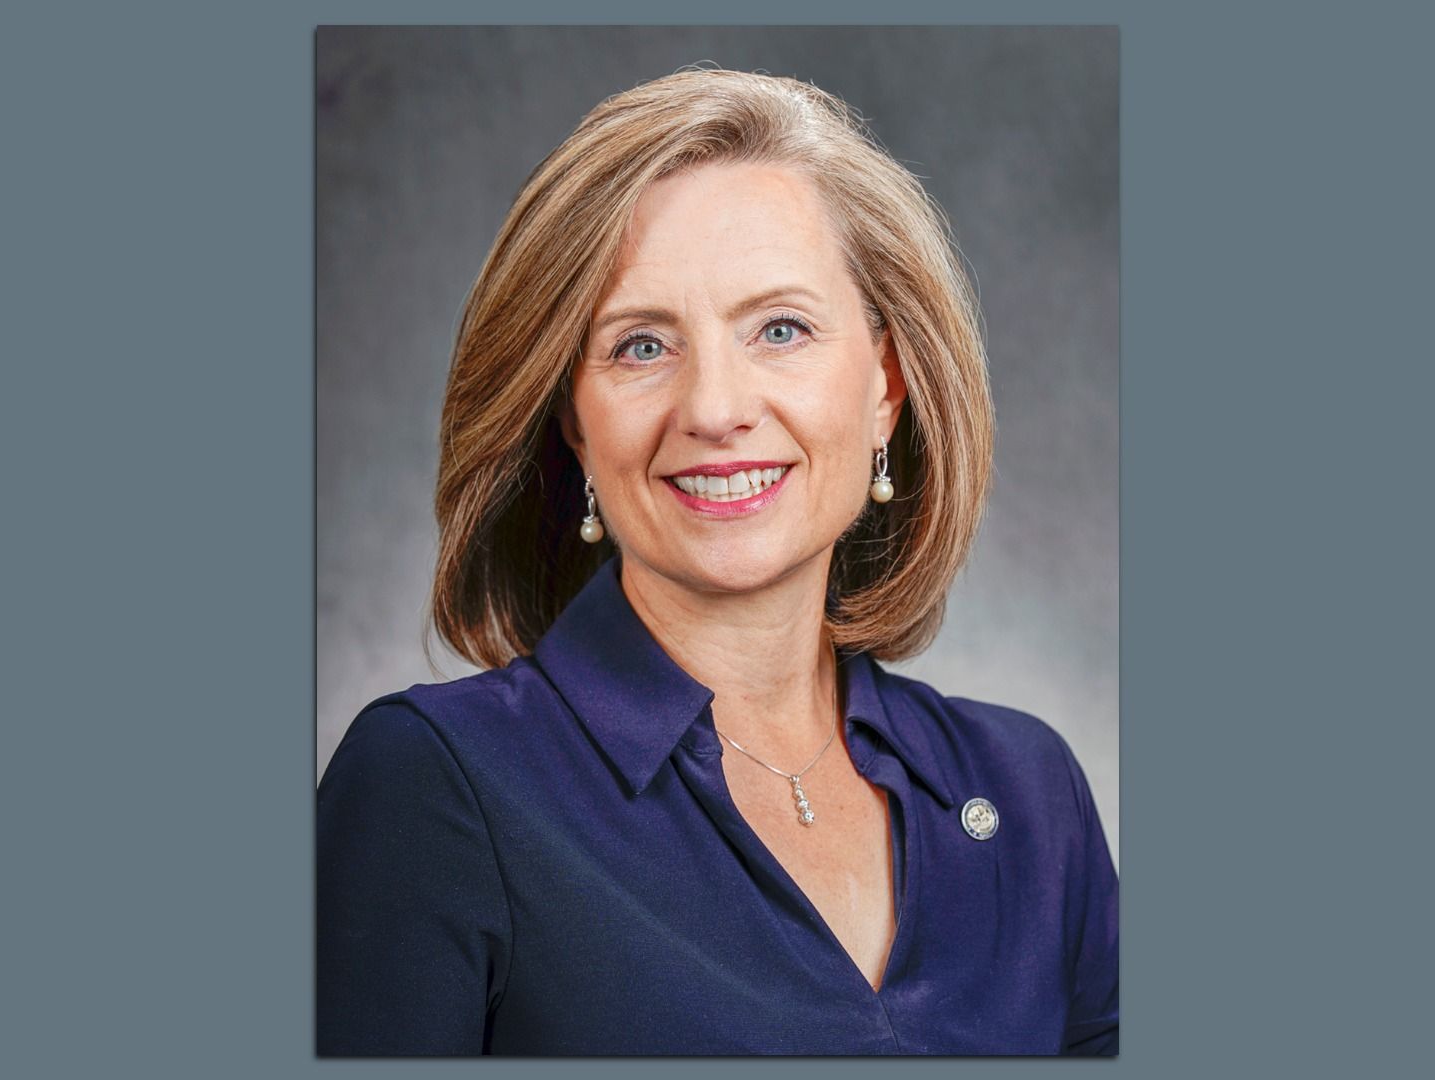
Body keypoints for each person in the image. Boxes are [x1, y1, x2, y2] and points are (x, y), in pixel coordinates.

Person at [316, 68, 1118, 1056]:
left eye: (779, 329)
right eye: (641, 346)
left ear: (887, 384)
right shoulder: (437, 788)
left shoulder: (1032, 797)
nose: (714, 408)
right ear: (571, 418)